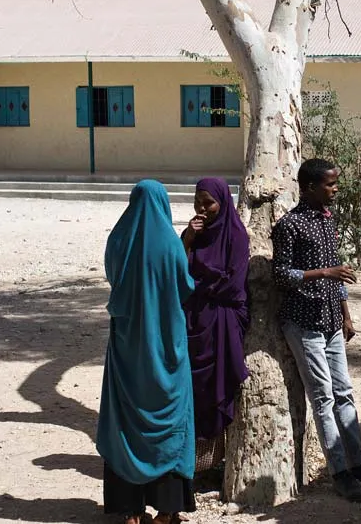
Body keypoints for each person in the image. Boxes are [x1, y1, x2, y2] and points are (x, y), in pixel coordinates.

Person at [272, 158, 361, 504]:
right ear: (309, 187)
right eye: (329, 184)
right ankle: (340, 473)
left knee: (344, 393)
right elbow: (281, 274)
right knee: (323, 398)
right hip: (303, 322)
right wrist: (323, 273)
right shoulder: (289, 225)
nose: (335, 189)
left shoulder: (329, 220)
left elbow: (338, 273)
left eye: (335, 183)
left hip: (330, 319)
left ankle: (360, 464)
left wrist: (346, 313)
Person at [97, 180, 197, 524]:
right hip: (167, 347)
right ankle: (167, 510)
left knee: (126, 422)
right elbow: (185, 287)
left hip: (127, 348)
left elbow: (114, 278)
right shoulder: (171, 244)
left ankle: (130, 510)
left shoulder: (119, 239)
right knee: (171, 418)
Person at [181, 178, 250, 469]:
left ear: (222, 202)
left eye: (208, 203)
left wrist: (199, 285)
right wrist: (186, 241)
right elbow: (177, 272)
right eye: (198, 203)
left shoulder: (236, 236)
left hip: (221, 321)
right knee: (194, 389)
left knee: (216, 387)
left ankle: (214, 463)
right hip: (195, 320)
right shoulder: (194, 236)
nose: (202, 209)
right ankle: (195, 464)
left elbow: (233, 285)